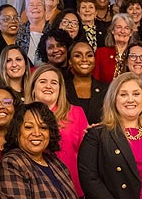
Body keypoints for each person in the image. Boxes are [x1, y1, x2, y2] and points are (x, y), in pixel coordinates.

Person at [78, 72, 142, 199]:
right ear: (113, 99)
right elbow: (89, 179)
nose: (130, 99)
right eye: (123, 94)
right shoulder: (96, 135)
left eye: (136, 94)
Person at [24, 64, 89, 197]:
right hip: (34, 188)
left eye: (54, 83)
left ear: (60, 89)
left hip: (71, 188)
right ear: (33, 87)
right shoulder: (22, 115)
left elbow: (88, 155)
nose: (49, 86)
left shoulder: (76, 113)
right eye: (43, 81)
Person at [0, 102, 78, 198]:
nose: (37, 133)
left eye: (43, 127)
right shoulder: (11, 163)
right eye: (28, 127)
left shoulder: (56, 162)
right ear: (17, 131)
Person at [64, 41, 109, 124]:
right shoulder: (62, 89)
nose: (84, 59)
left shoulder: (107, 90)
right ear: (70, 61)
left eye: (89, 55)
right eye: (78, 56)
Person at [94, 13, 134, 83]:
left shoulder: (135, 54)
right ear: (112, 30)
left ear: (131, 33)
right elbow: (95, 80)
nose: (122, 31)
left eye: (127, 28)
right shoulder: (101, 53)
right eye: (119, 27)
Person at [16, 0, 48, 66]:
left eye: (39, 4)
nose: (35, 7)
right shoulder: (20, 31)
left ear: (44, 10)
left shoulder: (52, 30)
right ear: (26, 12)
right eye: (31, 5)